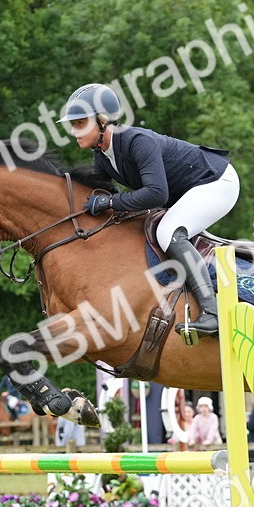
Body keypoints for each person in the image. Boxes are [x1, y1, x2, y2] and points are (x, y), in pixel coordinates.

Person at [58, 83, 238, 339]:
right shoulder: (102, 154)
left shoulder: (136, 141)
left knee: (168, 231)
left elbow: (156, 194)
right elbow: (101, 194)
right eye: (72, 124)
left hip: (216, 182)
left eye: (79, 122)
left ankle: (212, 312)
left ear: (102, 120)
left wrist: (110, 203)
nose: (74, 131)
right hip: (187, 192)